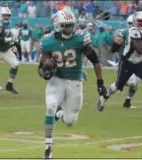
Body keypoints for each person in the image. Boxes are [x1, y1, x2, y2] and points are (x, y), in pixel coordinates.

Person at [38, 8, 107, 159]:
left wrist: (100, 83)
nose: (69, 28)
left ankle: (60, 113)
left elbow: (95, 60)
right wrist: (45, 68)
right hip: (57, 79)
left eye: (71, 25)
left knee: (70, 121)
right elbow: (42, 65)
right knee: (50, 107)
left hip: (75, 80)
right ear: (57, 25)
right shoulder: (48, 40)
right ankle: (48, 149)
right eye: (65, 25)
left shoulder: (80, 38)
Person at [97, 11, 142, 119]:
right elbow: (139, 50)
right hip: (128, 62)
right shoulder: (133, 31)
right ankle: (104, 97)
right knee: (118, 85)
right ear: (135, 22)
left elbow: (141, 51)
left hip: (140, 62)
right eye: (141, 22)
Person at [107, 14, 140, 109]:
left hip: (136, 62)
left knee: (136, 83)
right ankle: (106, 93)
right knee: (132, 82)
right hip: (126, 63)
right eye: (130, 23)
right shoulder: (124, 33)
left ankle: (127, 102)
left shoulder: (138, 34)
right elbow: (114, 48)